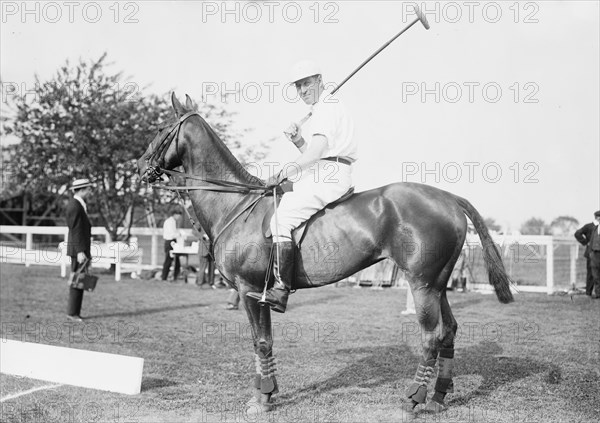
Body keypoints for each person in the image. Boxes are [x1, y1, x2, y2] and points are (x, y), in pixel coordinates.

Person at [247, 60, 357, 313]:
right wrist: (298, 140)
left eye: (307, 83)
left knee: (279, 221)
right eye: (298, 87)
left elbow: (315, 156)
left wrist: (281, 173)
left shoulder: (326, 107)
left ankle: (281, 290)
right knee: (281, 199)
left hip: (331, 174)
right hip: (327, 169)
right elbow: (316, 154)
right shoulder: (326, 106)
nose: (302, 91)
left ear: (320, 79)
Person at [65, 178, 94, 321]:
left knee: (80, 280)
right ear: (81, 190)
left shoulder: (78, 205)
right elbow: (75, 230)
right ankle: (72, 313)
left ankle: (75, 312)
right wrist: (80, 251)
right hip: (79, 251)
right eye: (88, 189)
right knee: (77, 280)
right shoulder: (75, 206)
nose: (90, 192)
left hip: (81, 249)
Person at [574, 211, 600, 298]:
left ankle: (597, 293)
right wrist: (586, 242)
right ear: (596, 217)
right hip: (591, 253)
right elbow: (577, 233)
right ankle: (588, 293)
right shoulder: (589, 226)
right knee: (591, 273)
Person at [161, 210, 183, 281]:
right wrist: (179, 234)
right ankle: (164, 277)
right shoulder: (170, 222)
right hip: (170, 242)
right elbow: (172, 234)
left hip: (172, 242)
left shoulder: (172, 221)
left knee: (176, 261)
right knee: (168, 261)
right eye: (178, 215)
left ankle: (175, 277)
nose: (179, 217)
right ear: (175, 214)